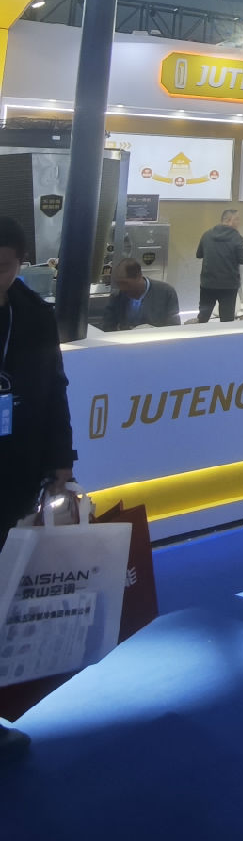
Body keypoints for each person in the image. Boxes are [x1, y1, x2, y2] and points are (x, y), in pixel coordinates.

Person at [0, 217, 76, 763]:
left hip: (12, 471)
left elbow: (54, 389)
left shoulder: (33, 313)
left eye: (3, 266)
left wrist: (59, 462)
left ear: (21, 263)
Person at [195, 208, 243, 323]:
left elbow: (199, 254)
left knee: (203, 317)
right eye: (237, 219)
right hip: (229, 285)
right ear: (228, 220)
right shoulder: (237, 238)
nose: (239, 222)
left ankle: (199, 333)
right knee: (227, 319)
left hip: (208, 283)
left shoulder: (207, 235)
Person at [99, 259, 180, 330]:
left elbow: (174, 327)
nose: (122, 288)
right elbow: (106, 327)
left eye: (125, 283)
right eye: (118, 284)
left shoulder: (166, 292)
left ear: (139, 276)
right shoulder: (117, 296)